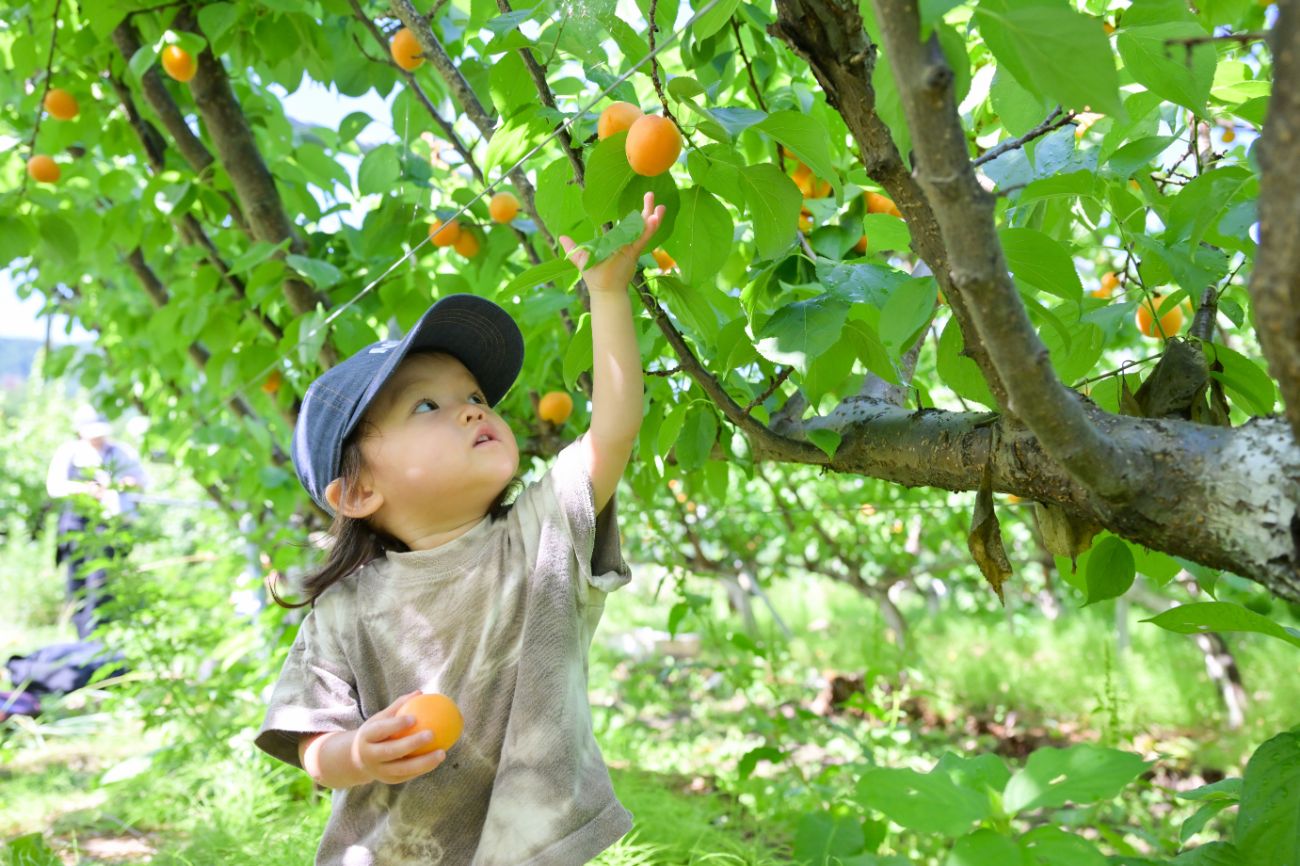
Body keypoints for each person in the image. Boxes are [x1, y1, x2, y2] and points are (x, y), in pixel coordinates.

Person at [255, 193, 666, 866]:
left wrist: (608, 292)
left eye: (475, 397)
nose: (473, 412)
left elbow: (613, 430)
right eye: (428, 405)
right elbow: (314, 752)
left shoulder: (539, 538)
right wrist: (359, 753)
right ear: (358, 491)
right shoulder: (344, 611)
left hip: (529, 842)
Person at [46, 406, 147, 639]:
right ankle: (83, 636)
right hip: (77, 526)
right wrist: (85, 489)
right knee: (78, 583)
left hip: (109, 527)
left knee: (102, 583)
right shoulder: (69, 453)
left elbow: (142, 481)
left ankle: (101, 636)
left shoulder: (120, 453)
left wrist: (124, 483)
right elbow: (55, 486)